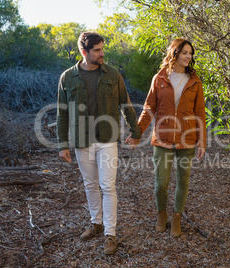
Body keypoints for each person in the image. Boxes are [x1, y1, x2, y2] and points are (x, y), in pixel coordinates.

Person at [57, 31, 141, 254]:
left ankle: (110, 234)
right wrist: (62, 144)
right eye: (97, 50)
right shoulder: (67, 77)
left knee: (108, 186)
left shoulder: (113, 75)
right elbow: (61, 113)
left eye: (103, 49)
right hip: (81, 140)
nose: (102, 53)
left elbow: (126, 103)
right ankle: (96, 223)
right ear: (84, 52)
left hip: (107, 139)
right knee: (90, 185)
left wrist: (136, 130)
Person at [126, 38, 206, 237]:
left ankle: (177, 217)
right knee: (161, 183)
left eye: (190, 53)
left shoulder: (195, 80)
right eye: (185, 52)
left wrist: (201, 141)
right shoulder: (159, 78)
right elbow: (149, 108)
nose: (189, 57)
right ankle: (161, 214)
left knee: (183, 181)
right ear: (175, 53)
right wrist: (137, 133)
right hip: (162, 138)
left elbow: (200, 113)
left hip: (186, 138)